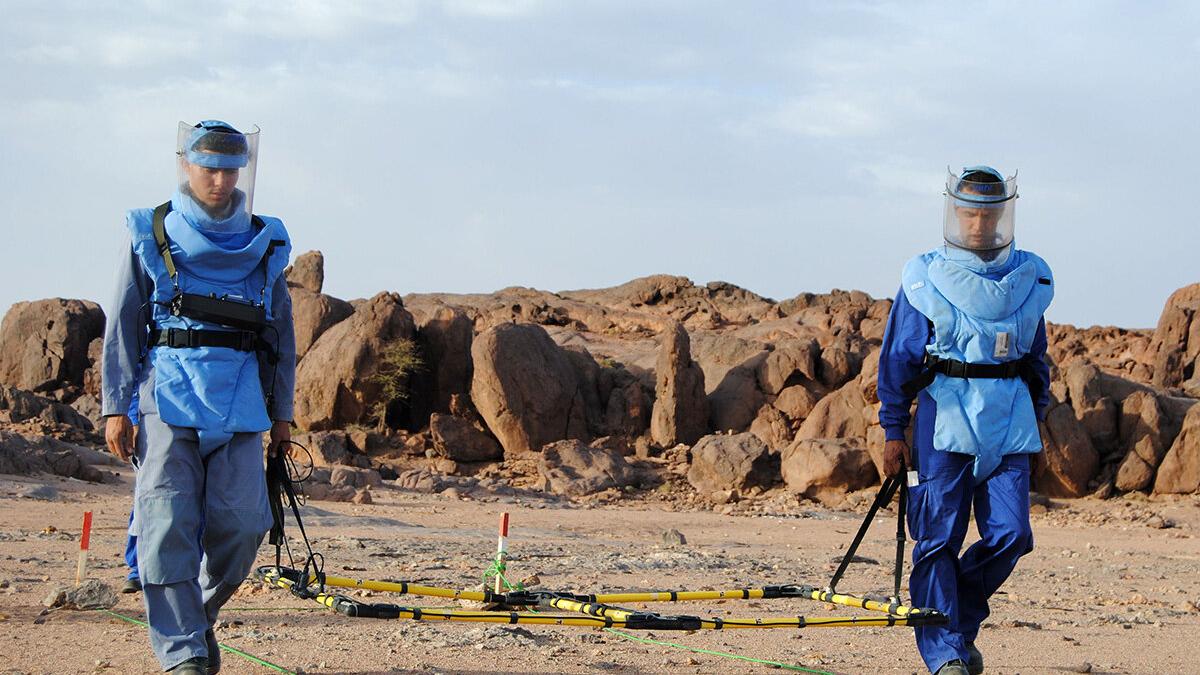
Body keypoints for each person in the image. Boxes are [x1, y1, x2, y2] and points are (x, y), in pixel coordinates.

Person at [102, 120, 296, 674]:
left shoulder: (266, 239)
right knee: (165, 529)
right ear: (186, 164)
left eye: (230, 169)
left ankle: (196, 618)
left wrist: (282, 416)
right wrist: (116, 406)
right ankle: (183, 654)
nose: (219, 179)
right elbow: (122, 323)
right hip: (166, 395)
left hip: (240, 402)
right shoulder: (150, 229)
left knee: (242, 529)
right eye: (209, 167)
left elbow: (280, 334)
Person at [877, 166, 1053, 675]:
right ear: (956, 213)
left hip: (1009, 420)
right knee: (936, 539)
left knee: (1012, 535)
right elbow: (898, 359)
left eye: (989, 213)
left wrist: (1038, 416)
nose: (979, 224)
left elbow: (1035, 357)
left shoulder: (1028, 278)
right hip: (943, 417)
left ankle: (957, 618)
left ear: (1003, 214)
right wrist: (893, 430)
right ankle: (945, 654)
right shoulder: (925, 276)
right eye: (970, 213)